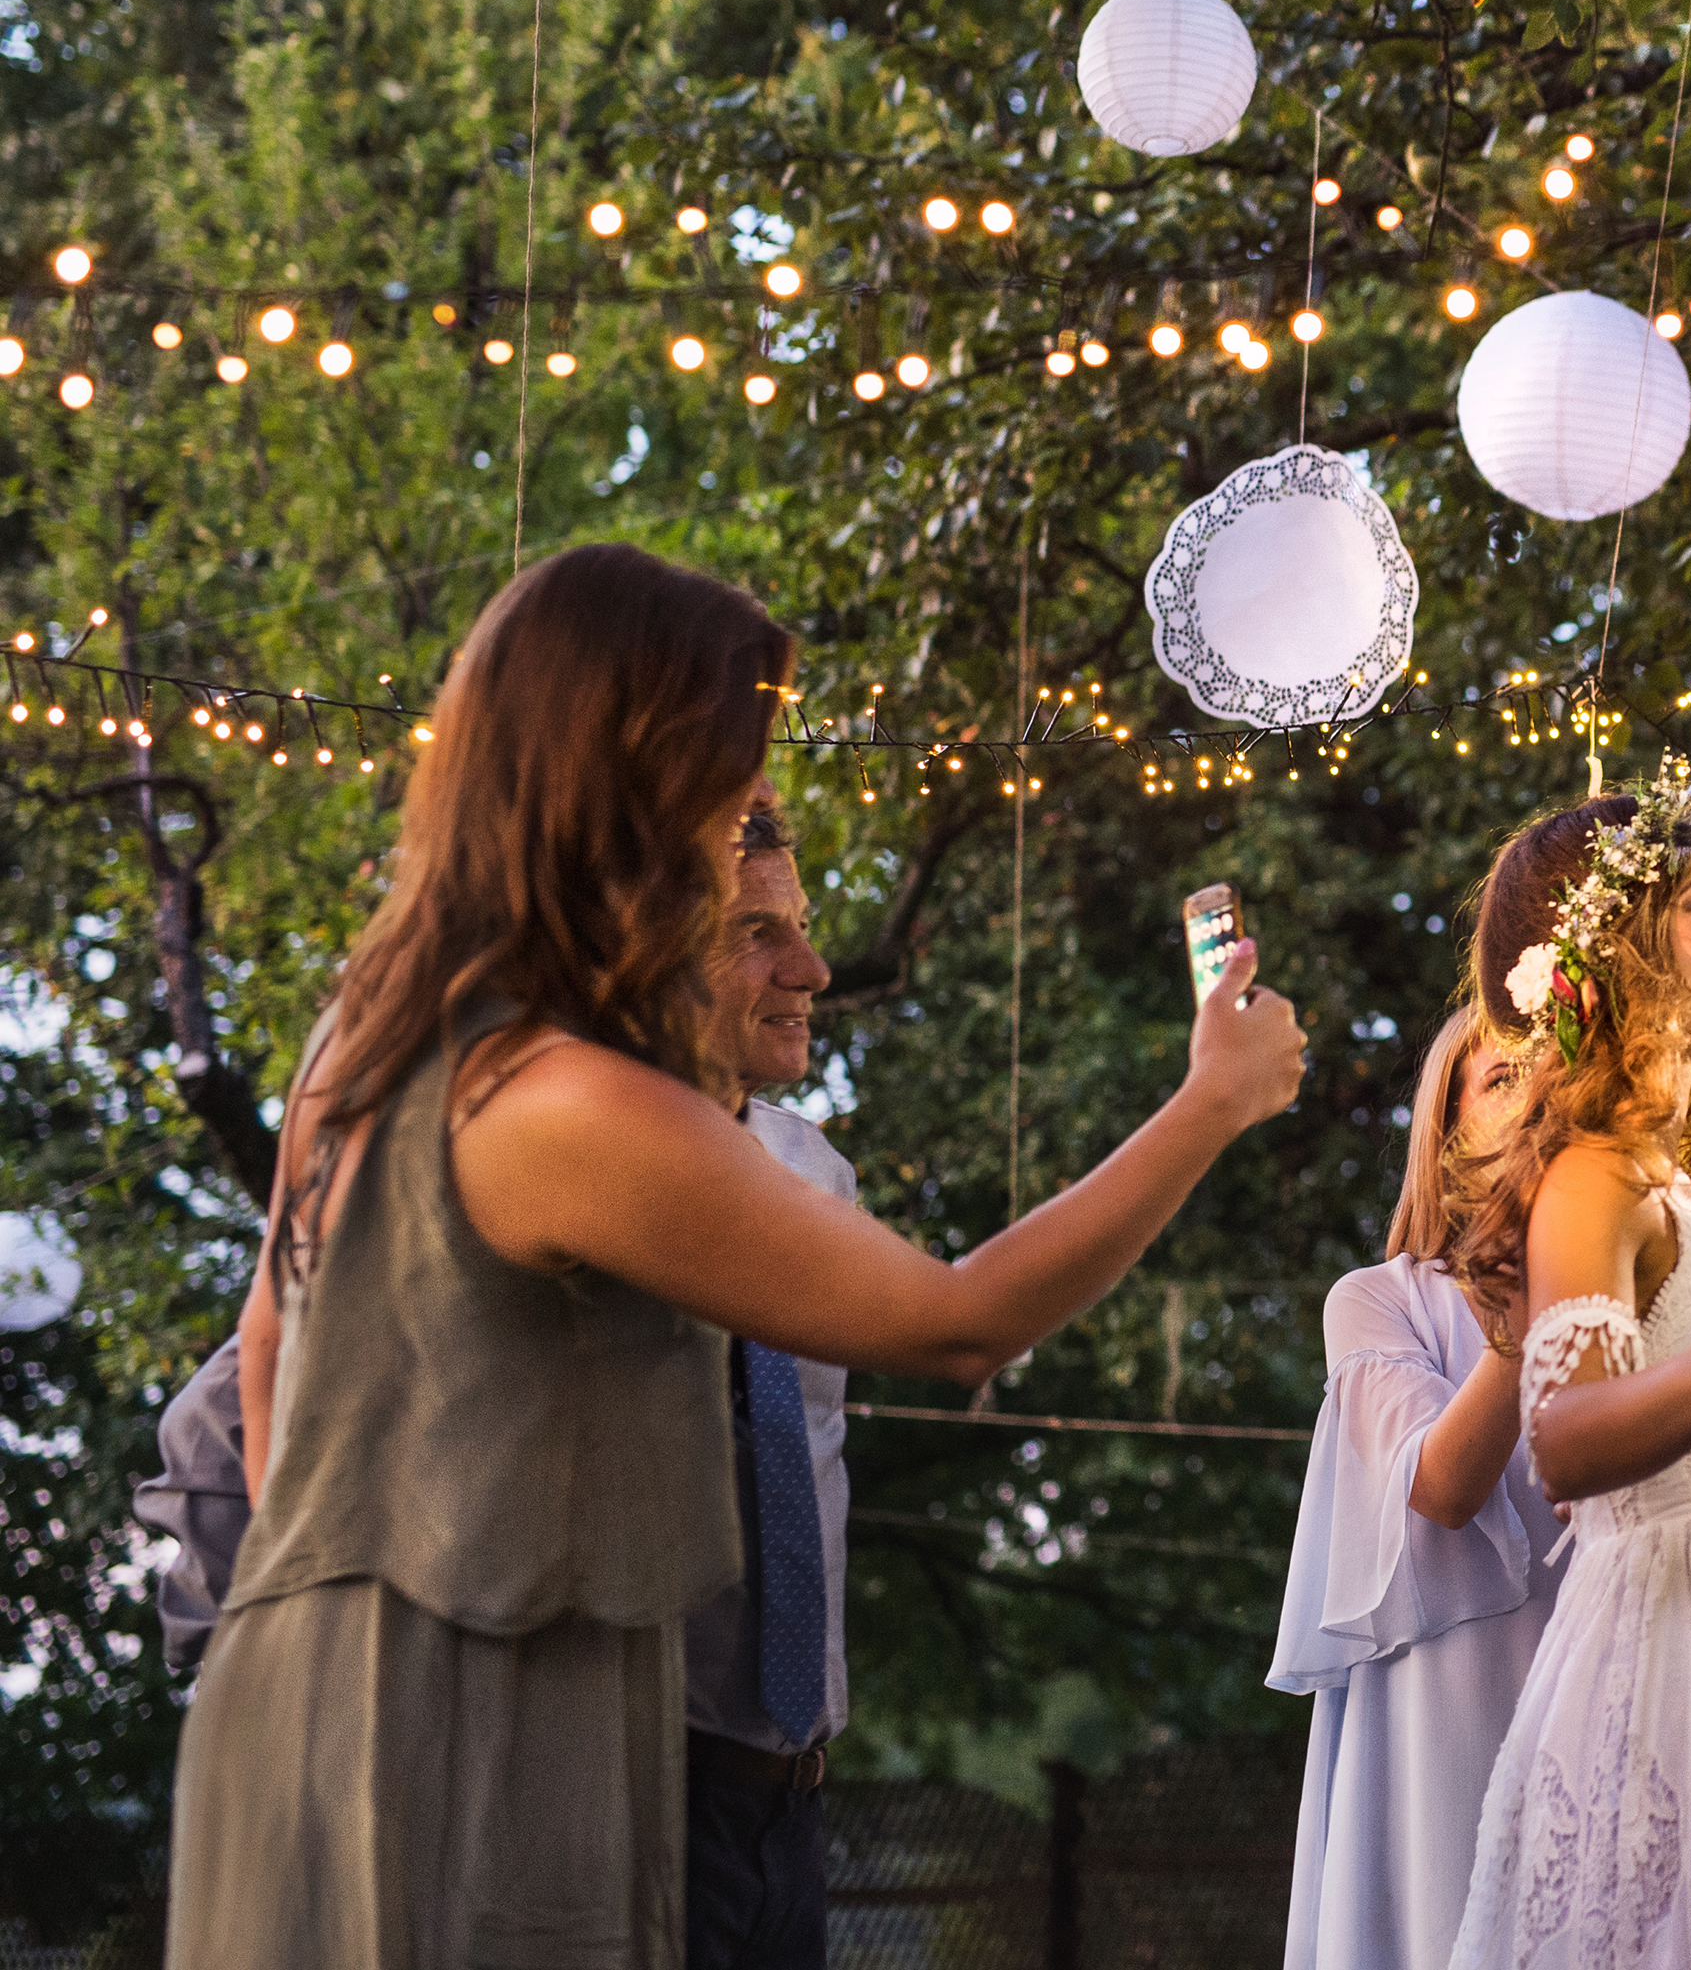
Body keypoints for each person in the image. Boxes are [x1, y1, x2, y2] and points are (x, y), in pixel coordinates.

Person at [167, 543, 1308, 1970]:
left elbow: (271, 1359)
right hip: (469, 1734)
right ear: (631, 777)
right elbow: (956, 1324)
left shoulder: (382, 1018)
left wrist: (347, 1609)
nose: (741, 818)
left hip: (330, 1707)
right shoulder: (562, 1100)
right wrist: (1211, 1102)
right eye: (731, 779)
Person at [1439, 765, 1691, 1970]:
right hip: (1665, 1664)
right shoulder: (1593, 1179)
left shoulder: (1686, 1187)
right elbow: (1563, 1437)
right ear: (1615, 944)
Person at [1274, 1004, 1566, 1970]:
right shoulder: (1381, 1299)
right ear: (1445, 1142)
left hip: (1601, 1678)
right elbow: (1439, 1486)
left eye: (1548, 1070)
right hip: (1448, 1713)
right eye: (1497, 1079)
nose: (1531, 1095)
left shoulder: (1639, 1265)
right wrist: (1522, 1320)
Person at [680, 791, 853, 1970]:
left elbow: (964, 1324)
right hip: (637, 1794)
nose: (812, 967)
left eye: (800, 925)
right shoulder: (556, 1166)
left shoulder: (814, 1172)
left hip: (794, 1800)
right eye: (756, 934)